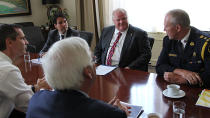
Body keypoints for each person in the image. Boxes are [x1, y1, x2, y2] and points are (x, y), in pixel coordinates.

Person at [26, 37, 129, 118]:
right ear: (88, 71)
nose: (94, 63)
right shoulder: (110, 114)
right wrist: (120, 113)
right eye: (93, 60)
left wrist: (103, 109)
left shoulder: (36, 98)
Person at [0, 24, 50, 118]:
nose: (27, 42)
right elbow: (30, 106)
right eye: (22, 38)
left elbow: (11, 89)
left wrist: (35, 87)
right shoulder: (8, 71)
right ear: (9, 42)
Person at [156, 9, 210, 88]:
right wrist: (181, 72)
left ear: (178, 28)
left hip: (197, 91)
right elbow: (159, 66)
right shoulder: (168, 40)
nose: (164, 29)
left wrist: (183, 79)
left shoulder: (205, 43)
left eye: (166, 26)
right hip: (174, 89)